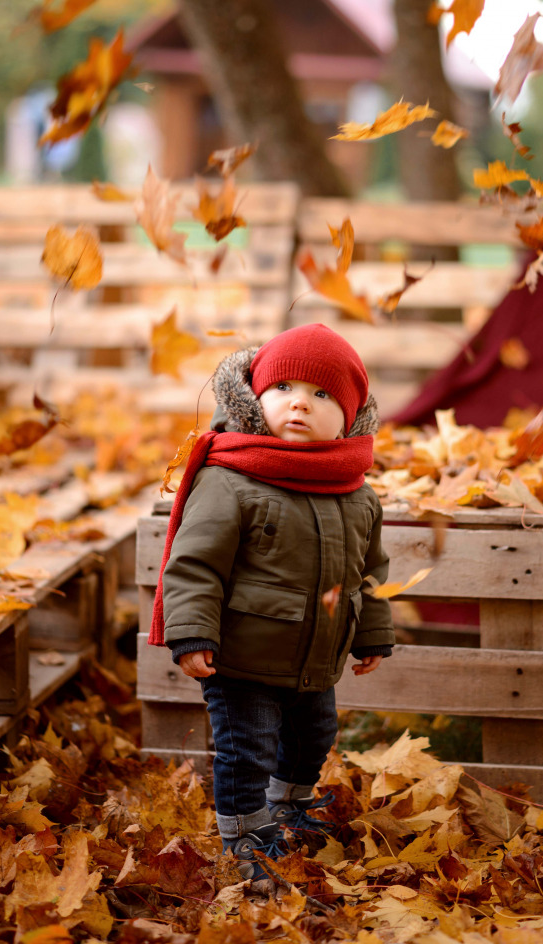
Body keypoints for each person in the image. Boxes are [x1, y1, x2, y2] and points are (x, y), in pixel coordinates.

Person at [148, 323, 395, 880]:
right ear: (256, 400)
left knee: (314, 738)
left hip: (315, 658)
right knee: (247, 748)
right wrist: (191, 633)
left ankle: (289, 805)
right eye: (283, 388)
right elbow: (195, 563)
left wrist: (372, 630)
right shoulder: (230, 479)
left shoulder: (357, 492)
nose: (299, 404)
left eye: (321, 394)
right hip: (240, 657)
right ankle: (243, 831)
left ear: (351, 416)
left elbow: (370, 571)